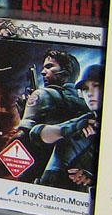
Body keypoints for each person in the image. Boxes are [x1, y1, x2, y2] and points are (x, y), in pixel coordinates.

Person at [18, 49, 96, 188]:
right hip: (75, 179)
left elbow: (22, 138)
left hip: (45, 177)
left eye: (49, 66)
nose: (43, 72)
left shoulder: (43, 94)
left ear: (66, 70)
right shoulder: (87, 104)